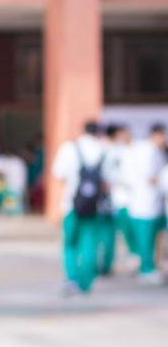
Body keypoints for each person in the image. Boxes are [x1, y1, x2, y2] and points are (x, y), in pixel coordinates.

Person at [53, 121, 110, 296]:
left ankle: (72, 279)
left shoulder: (69, 148)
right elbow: (108, 182)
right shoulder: (104, 149)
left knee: (70, 243)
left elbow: (59, 175)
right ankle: (86, 283)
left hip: (72, 204)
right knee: (90, 244)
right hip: (95, 206)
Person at [124, 124, 167, 285]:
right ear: (156, 135)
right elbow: (151, 177)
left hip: (149, 203)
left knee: (151, 238)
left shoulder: (151, 151)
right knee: (145, 239)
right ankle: (146, 269)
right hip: (144, 204)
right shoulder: (148, 152)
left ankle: (149, 266)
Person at [101, 124, 134, 275]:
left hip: (111, 199)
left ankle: (106, 263)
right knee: (121, 232)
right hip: (117, 199)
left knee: (110, 233)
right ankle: (108, 263)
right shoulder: (118, 151)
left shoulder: (104, 149)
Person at [0, 147, 27, 216]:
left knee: (15, 206)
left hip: (16, 187)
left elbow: (22, 176)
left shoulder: (18, 162)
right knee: (4, 205)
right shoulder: (0, 160)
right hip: (3, 187)